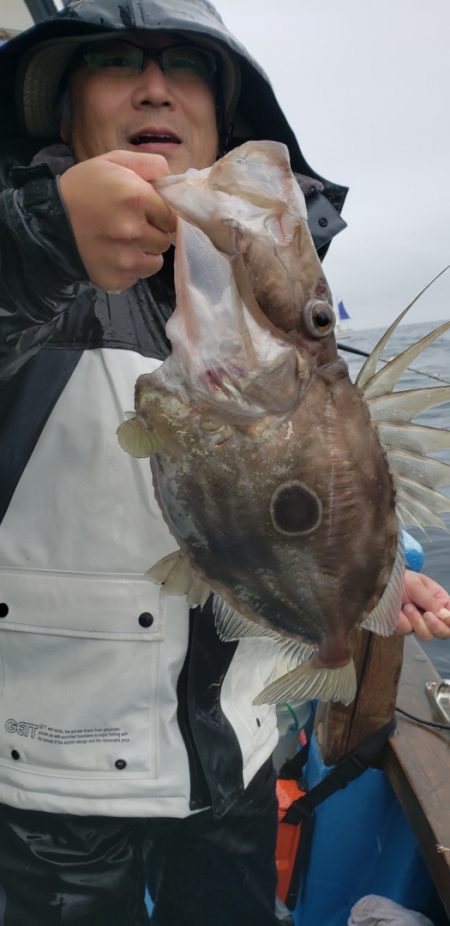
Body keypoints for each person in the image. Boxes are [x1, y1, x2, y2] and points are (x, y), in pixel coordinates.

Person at [0, 1, 449, 924]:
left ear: (222, 110)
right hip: (51, 781)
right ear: (67, 107)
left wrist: (366, 581)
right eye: (117, 59)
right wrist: (37, 238)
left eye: (187, 66)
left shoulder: (268, 296)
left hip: (240, 756)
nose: (156, 83)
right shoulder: (26, 265)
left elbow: (326, 477)